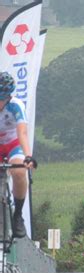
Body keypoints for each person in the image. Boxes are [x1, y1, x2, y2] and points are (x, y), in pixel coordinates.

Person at [0, 71, 38, 238]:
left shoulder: (16, 105)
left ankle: (18, 215)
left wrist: (28, 157)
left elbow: (22, 133)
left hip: (13, 143)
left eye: (2, 99)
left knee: (19, 171)